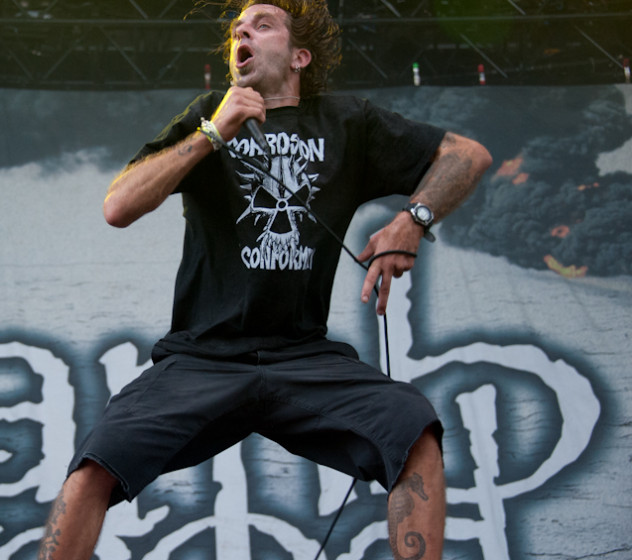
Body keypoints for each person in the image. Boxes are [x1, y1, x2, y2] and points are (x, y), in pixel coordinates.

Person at [38, 1, 492, 558]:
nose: (242, 33)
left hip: (303, 356)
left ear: (299, 56)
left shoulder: (349, 123)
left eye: (261, 25)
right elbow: (118, 206)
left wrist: (412, 220)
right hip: (202, 356)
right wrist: (213, 130)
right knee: (93, 465)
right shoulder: (209, 114)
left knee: (414, 428)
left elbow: (465, 155)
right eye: (237, 29)